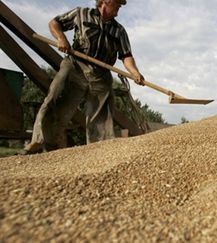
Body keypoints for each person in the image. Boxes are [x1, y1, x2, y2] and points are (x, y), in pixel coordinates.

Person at [20, 0, 145, 154]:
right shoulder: (80, 13)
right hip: (75, 66)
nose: (120, 7)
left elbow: (126, 56)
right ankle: (40, 143)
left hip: (101, 74)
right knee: (56, 100)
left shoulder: (119, 30)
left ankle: (98, 152)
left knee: (101, 117)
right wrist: (61, 38)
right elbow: (55, 23)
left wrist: (134, 72)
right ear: (106, 1)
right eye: (118, 3)